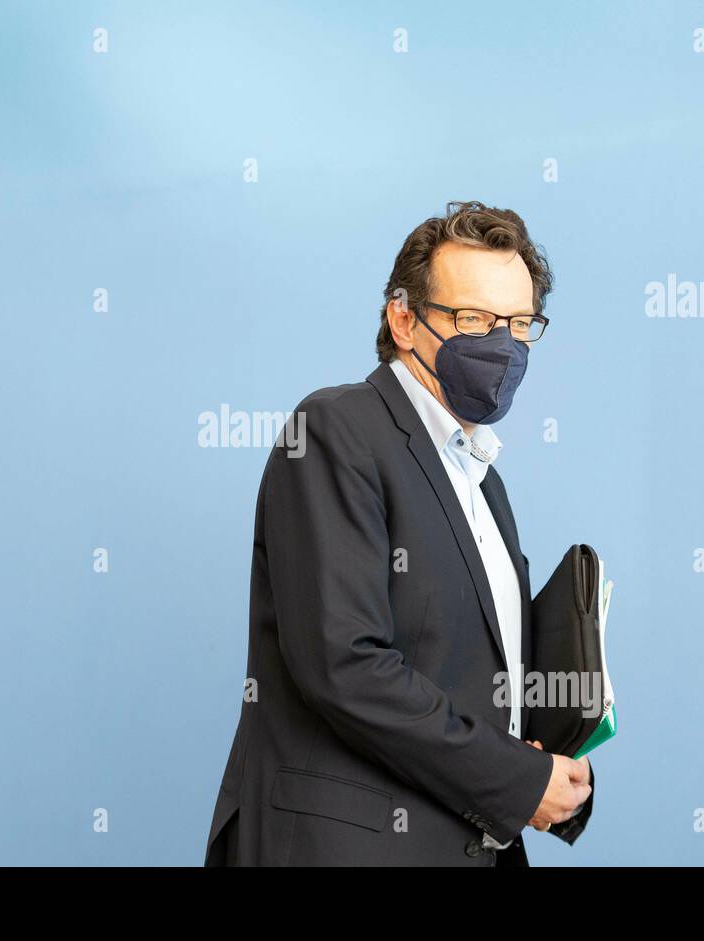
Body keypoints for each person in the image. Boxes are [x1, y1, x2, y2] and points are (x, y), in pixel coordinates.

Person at [205, 201, 594, 866]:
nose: (500, 343)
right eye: (472, 318)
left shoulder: (481, 479)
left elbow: (475, 683)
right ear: (404, 318)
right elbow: (346, 664)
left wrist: (555, 765)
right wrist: (519, 781)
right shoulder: (334, 430)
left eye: (519, 323)